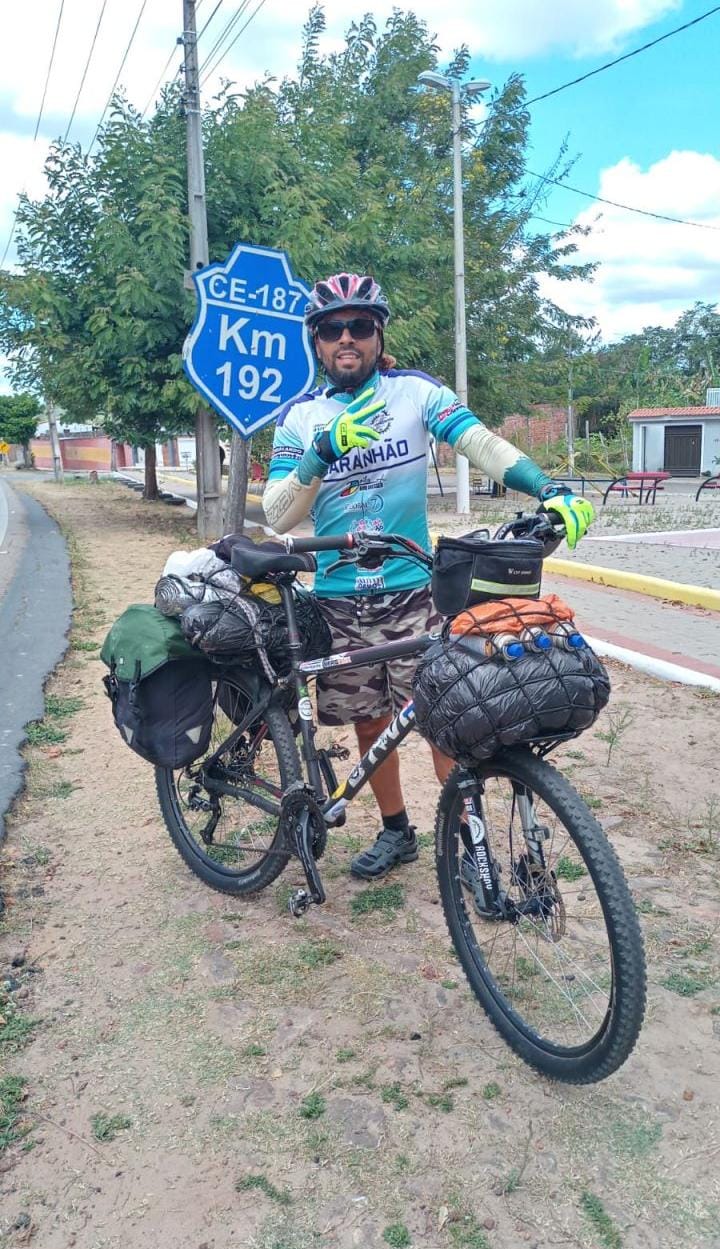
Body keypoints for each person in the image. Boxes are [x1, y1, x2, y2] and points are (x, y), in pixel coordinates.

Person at [262, 273, 593, 881]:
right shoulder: (300, 417)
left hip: (415, 589)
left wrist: (548, 488)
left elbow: (481, 443)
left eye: (359, 326)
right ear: (316, 341)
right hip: (338, 598)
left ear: (378, 335)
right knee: (370, 722)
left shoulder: (415, 393)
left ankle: (467, 844)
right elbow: (278, 514)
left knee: (446, 719)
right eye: (332, 328)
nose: (346, 338)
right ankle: (396, 831)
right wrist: (321, 451)